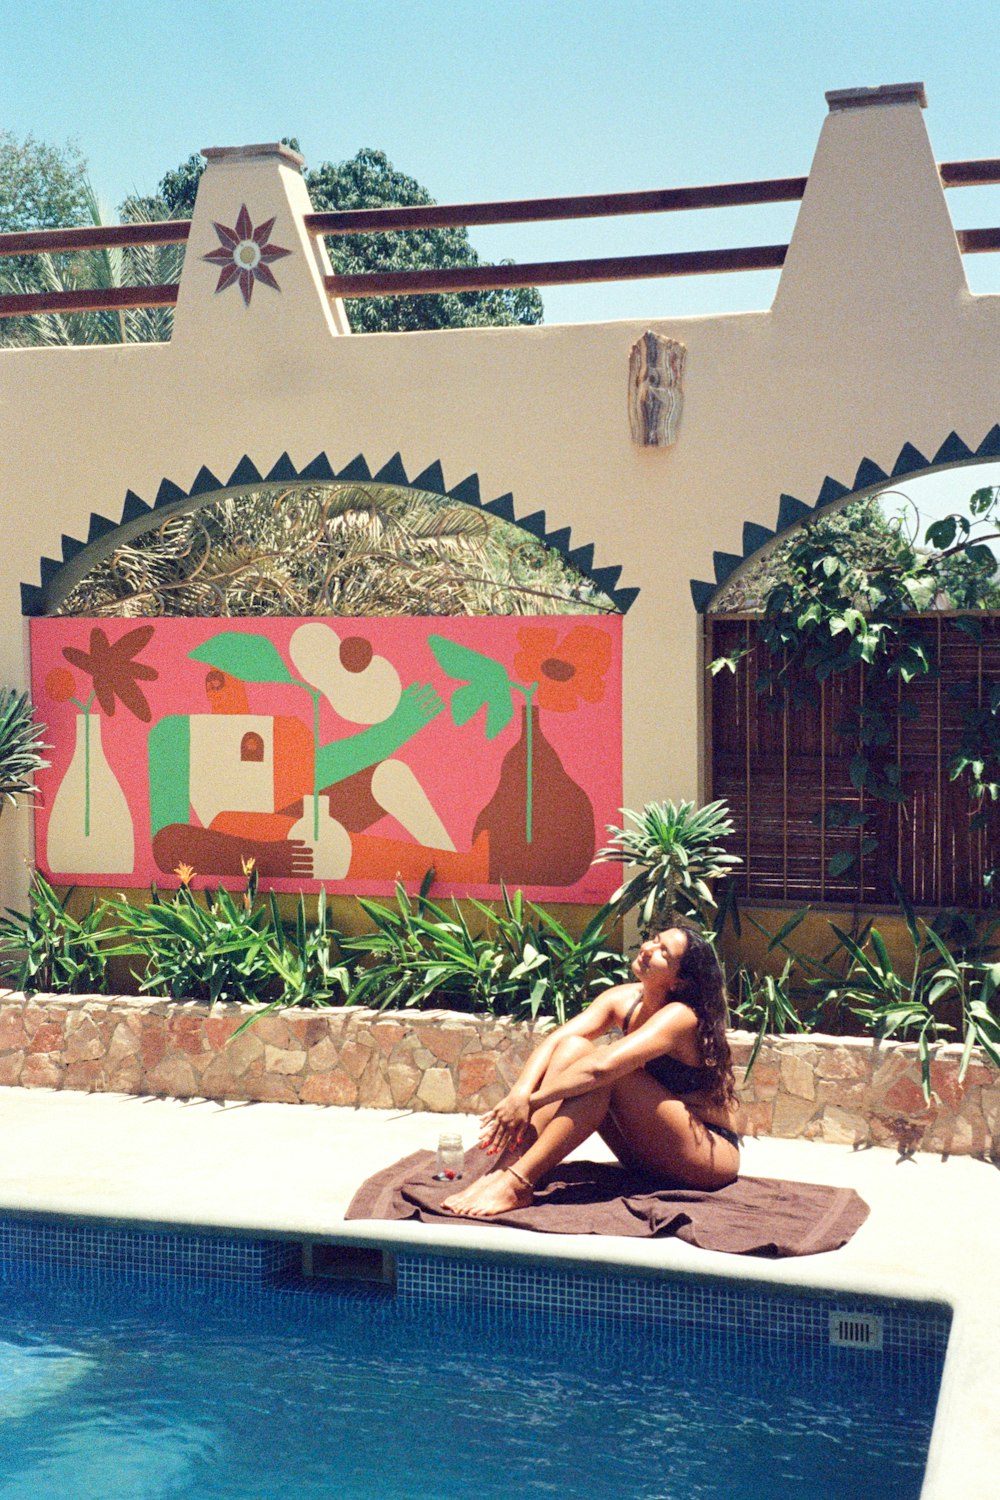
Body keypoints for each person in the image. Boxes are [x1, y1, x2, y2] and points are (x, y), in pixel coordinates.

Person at [442, 925, 739, 1218]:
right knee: (573, 1047)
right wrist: (518, 1093)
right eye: (654, 940)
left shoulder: (680, 1016)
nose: (648, 948)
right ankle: (503, 1173)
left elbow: (601, 1068)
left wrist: (532, 1102)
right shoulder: (623, 998)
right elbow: (557, 1040)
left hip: (707, 1156)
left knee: (612, 1073)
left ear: (679, 982)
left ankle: (517, 1183)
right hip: (651, 1151)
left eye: (664, 952)